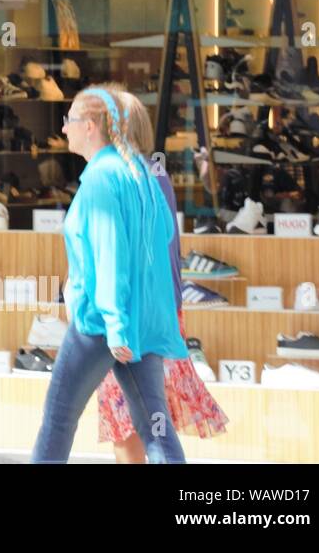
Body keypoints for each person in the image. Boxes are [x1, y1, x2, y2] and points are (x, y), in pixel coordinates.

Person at [31, 86, 188, 464]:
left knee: (58, 420)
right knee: (155, 425)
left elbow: (109, 253)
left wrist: (116, 324)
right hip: (141, 321)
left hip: (102, 323)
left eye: (68, 119)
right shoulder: (141, 173)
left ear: (90, 126)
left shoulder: (102, 178)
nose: (63, 128)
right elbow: (163, 240)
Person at [95, 87, 227, 462]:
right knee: (146, 419)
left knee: (132, 422)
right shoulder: (154, 174)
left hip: (130, 315)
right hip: (162, 311)